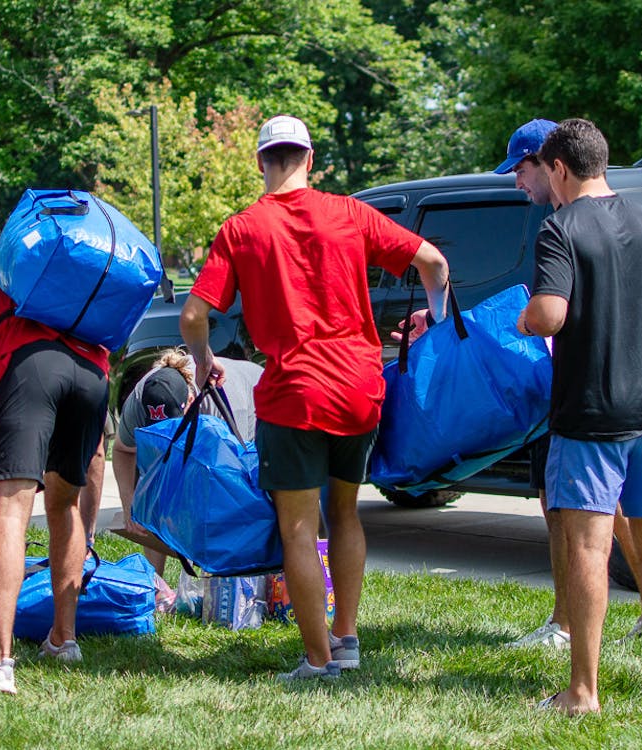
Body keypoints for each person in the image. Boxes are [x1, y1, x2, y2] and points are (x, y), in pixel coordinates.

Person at [180, 115, 450, 682]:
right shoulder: (349, 212)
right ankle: (346, 637)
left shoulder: (242, 228)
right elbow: (434, 262)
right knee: (346, 512)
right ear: (310, 159)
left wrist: (203, 363)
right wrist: (439, 326)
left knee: (300, 529)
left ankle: (318, 659)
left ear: (261, 162)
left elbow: (193, 314)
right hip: (358, 388)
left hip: (295, 395)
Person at [495, 120, 642, 650]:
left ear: (556, 166)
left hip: (589, 412)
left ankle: (582, 687)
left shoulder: (561, 228)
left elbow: (549, 316)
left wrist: (525, 320)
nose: (521, 183)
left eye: (524, 170)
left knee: (586, 542)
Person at [0, 288, 109, 695]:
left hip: (31, 371)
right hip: (92, 378)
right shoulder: (76, 290)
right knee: (64, 505)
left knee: (10, 511)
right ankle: (64, 640)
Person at [112, 347, 263, 576]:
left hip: (255, 404)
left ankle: (229, 580)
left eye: (173, 426)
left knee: (235, 506)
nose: (167, 433)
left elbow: (231, 489)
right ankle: (156, 585)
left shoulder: (220, 405)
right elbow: (123, 451)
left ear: (191, 401)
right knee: (153, 493)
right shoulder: (140, 398)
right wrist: (129, 504)